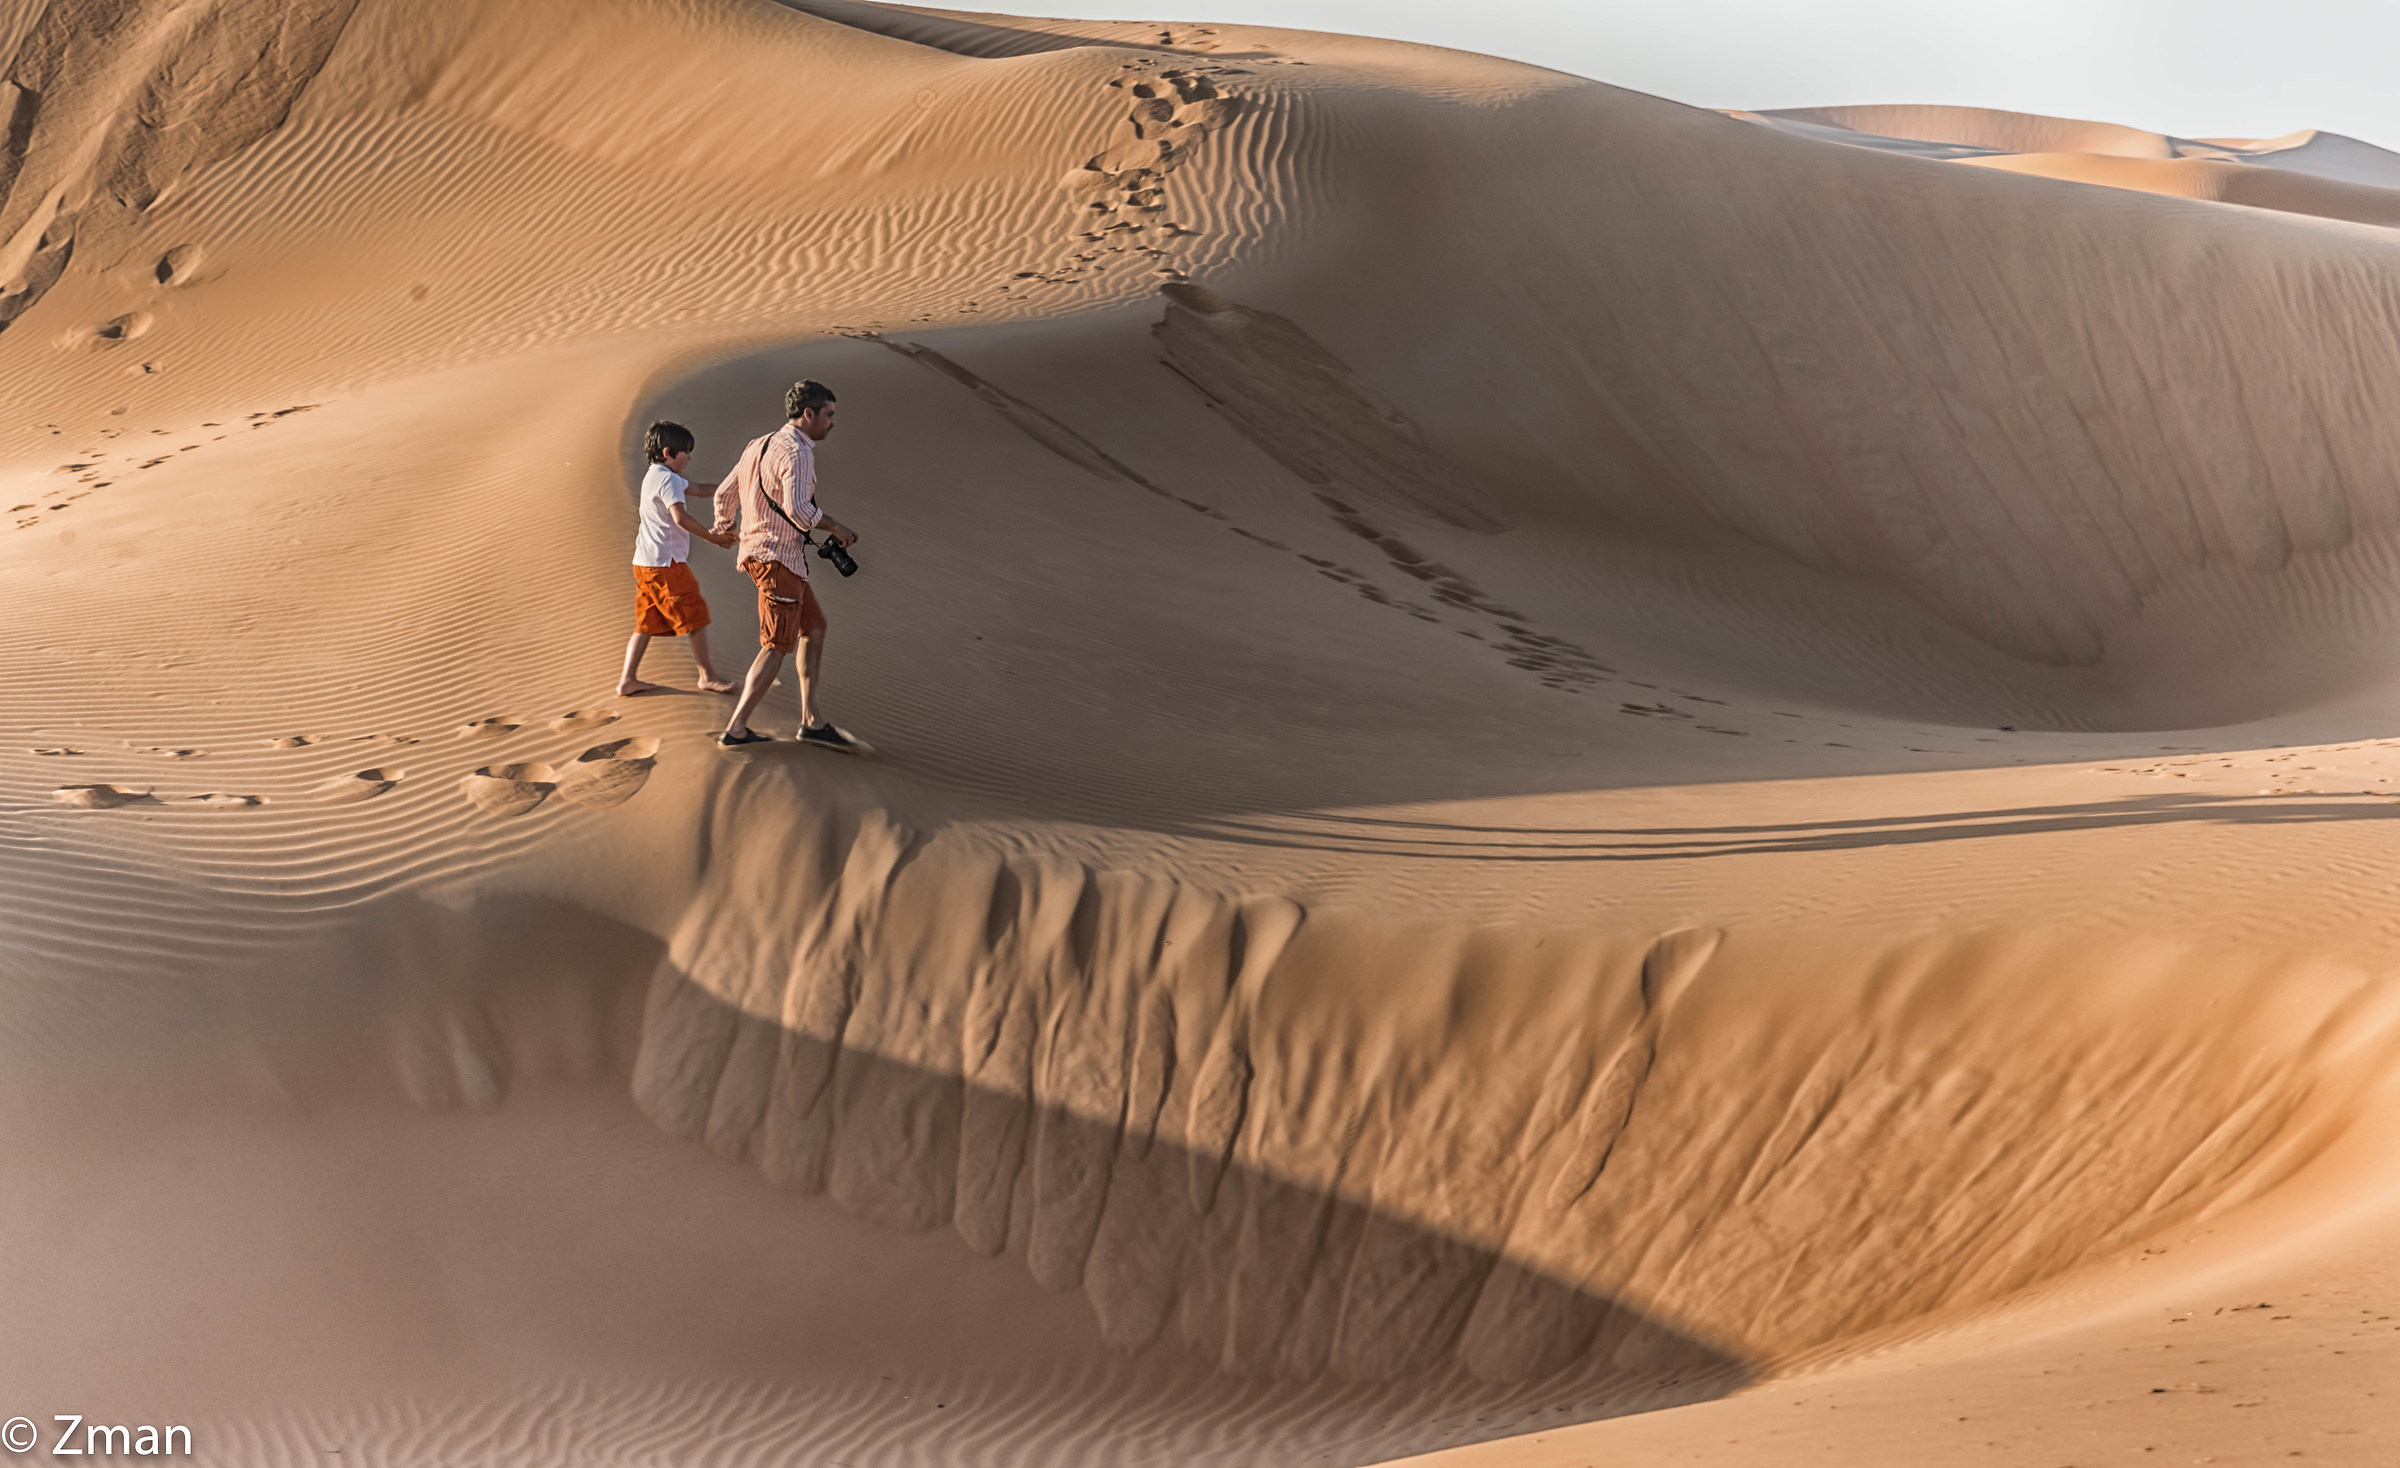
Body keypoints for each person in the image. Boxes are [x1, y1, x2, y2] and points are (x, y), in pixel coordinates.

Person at [712, 380, 860, 748]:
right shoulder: (797, 452)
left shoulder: (758, 444)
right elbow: (799, 510)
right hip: (777, 558)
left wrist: (725, 523)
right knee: (777, 644)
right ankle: (736, 729)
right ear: (808, 414)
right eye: (828, 415)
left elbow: (724, 493)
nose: (833, 423)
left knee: (814, 627)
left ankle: (812, 720)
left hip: (770, 557)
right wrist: (836, 526)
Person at [620, 420, 738, 697]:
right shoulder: (668, 478)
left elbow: (697, 488)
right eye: (685, 452)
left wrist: (732, 488)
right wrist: (714, 537)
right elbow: (680, 518)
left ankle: (627, 680)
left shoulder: (654, 475)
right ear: (667, 453)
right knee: (695, 616)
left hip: (645, 564)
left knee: (646, 622)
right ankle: (707, 676)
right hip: (666, 566)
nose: (689, 457)